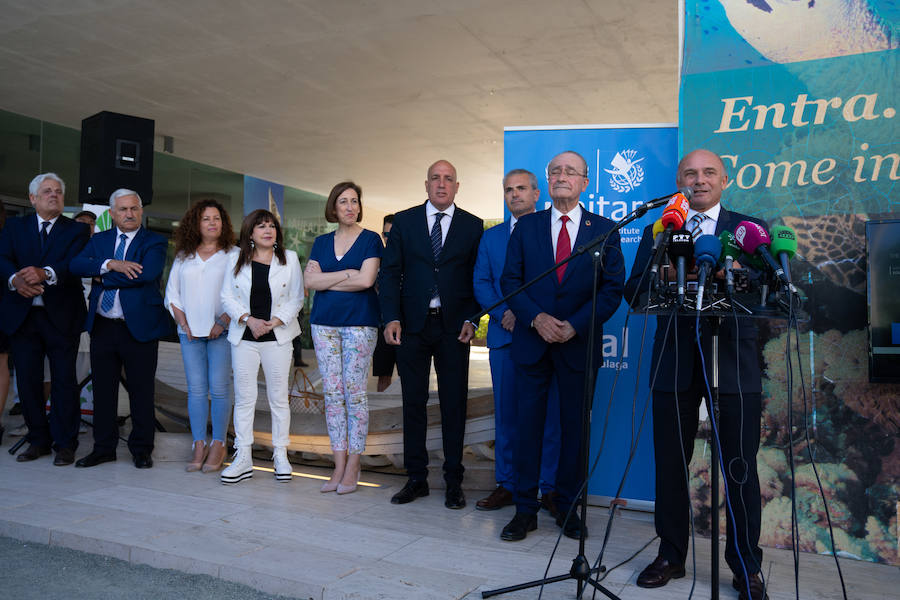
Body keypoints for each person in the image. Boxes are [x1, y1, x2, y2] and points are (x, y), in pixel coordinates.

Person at [625, 149, 768, 600]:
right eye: (690, 173)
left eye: (709, 173)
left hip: (734, 365)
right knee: (670, 465)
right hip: (674, 361)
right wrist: (662, 276)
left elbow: (775, 289)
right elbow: (633, 291)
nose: (699, 180)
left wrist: (743, 278)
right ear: (680, 180)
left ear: (725, 179)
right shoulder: (663, 230)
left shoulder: (748, 230)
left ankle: (746, 566)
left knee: (740, 469)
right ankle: (670, 553)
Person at [499, 151, 624, 541]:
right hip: (532, 342)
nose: (561, 176)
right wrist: (536, 319)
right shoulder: (527, 226)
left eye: (571, 171)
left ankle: (568, 506)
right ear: (548, 182)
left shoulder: (604, 229)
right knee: (527, 428)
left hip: (577, 344)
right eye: (555, 171)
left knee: (574, 429)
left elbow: (612, 289)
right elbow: (510, 282)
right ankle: (524, 509)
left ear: (585, 182)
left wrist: (574, 325)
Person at [379, 160, 483, 509]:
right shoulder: (405, 222)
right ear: (426, 185)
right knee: (414, 403)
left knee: (454, 404)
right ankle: (416, 478)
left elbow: (476, 278)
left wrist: (473, 317)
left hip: (455, 328)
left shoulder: (472, 226)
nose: (441, 184)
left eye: (448, 179)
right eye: (435, 179)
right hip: (412, 326)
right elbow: (390, 274)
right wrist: (390, 317)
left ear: (457, 186)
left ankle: (454, 480)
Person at [472, 169, 562, 514]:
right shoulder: (491, 238)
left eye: (521, 188)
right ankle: (507, 484)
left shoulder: (551, 232)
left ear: (537, 193)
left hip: (544, 338)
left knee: (550, 417)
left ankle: (549, 488)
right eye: (509, 190)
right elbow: (481, 282)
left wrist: (527, 316)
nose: (515, 195)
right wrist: (504, 314)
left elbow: (558, 283)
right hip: (505, 337)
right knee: (507, 416)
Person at [70, 188, 170, 469]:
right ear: (112, 214)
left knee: (141, 391)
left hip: (138, 328)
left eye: (134, 209)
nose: (129, 214)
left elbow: (145, 274)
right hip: (102, 326)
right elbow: (76, 265)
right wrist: (110, 264)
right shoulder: (99, 240)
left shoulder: (154, 241)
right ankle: (103, 448)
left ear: (141, 211)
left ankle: (141, 449)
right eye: (123, 209)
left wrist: (102, 277)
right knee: (103, 391)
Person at [0, 174, 89, 465]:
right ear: (32, 198)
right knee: (27, 381)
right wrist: (15, 279)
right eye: (47, 191)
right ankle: (37, 439)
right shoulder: (14, 226)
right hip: (23, 315)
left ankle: (65, 443)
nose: (54, 195)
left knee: (64, 381)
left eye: (59, 192)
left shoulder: (75, 230)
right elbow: (2, 258)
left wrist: (45, 273)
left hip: (62, 316)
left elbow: (74, 263)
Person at [304, 182, 382, 494]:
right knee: (333, 396)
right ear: (333, 208)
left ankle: (354, 464)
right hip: (323, 324)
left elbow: (366, 280)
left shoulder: (371, 240)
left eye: (354, 201)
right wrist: (345, 274)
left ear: (360, 207)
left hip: (360, 324)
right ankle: (337, 465)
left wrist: (328, 280)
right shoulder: (321, 242)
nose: (349, 207)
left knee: (355, 394)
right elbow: (309, 280)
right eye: (343, 202)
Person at [220, 209, 303, 485]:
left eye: (272, 226)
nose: (268, 230)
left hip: (277, 338)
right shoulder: (235, 258)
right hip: (244, 337)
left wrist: (275, 321)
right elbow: (226, 297)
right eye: (261, 226)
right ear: (250, 233)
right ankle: (243, 457)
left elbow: (297, 298)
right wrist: (248, 319)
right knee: (245, 399)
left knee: (278, 399)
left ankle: (281, 455)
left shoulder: (289, 258)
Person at [165, 199, 237, 473]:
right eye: (206, 218)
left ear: (224, 223)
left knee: (219, 389)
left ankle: (219, 443)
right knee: (196, 390)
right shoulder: (184, 255)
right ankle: (199, 443)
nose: (212, 223)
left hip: (222, 332)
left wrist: (223, 321)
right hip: (189, 334)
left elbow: (242, 292)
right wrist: (183, 323)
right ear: (197, 223)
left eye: (216, 218)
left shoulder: (233, 254)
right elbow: (172, 294)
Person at [371, 214, 396, 392]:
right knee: (383, 376)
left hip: (408, 325)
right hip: (382, 324)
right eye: (387, 235)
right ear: (382, 235)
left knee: (410, 375)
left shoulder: (412, 259)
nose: (390, 239)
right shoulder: (376, 260)